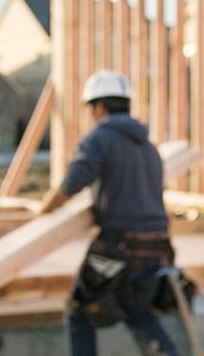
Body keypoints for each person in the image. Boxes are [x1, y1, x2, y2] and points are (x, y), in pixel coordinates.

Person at [40, 69, 179, 356]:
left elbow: (72, 183)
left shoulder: (100, 138)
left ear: (100, 107)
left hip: (118, 246)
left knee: (79, 313)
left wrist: (44, 209)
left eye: (92, 110)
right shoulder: (149, 147)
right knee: (136, 312)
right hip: (157, 247)